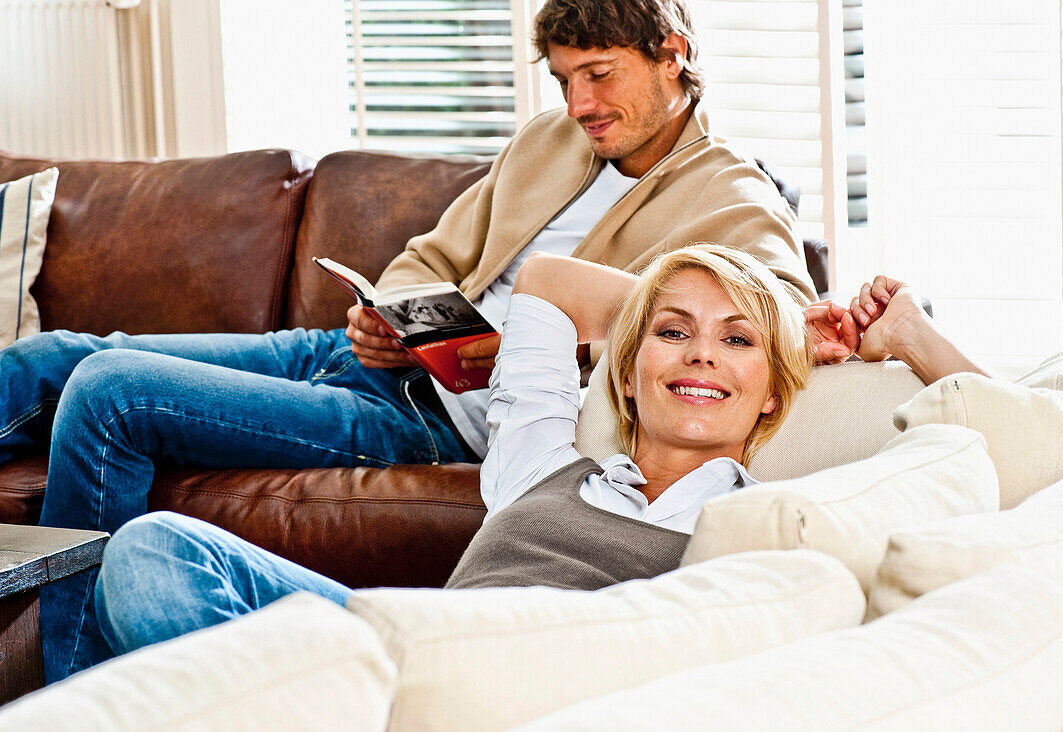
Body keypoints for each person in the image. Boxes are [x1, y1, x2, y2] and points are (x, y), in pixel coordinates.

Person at [2, 0, 816, 682]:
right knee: (52, 356)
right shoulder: (551, 142)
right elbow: (431, 256)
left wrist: (546, 344)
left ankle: (69, 692)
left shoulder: (733, 195)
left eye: (597, 74)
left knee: (112, 391)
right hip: (365, 358)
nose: (578, 104)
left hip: (434, 416)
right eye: (565, 80)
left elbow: (772, 315)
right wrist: (387, 313)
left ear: (672, 54)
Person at [93, 244, 985, 667]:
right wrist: (772, 319)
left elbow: (1025, 450)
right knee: (153, 549)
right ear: (628, 379)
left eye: (737, 343)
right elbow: (553, 281)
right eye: (672, 334)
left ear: (775, 399)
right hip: (403, 643)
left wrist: (906, 334)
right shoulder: (539, 460)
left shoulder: (774, 517)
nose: (702, 354)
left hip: (509, 689)